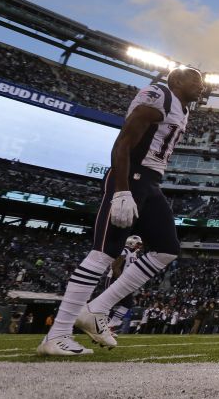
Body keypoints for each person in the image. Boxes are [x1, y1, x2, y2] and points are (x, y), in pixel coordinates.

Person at [36, 67, 205, 356]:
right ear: (176, 80)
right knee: (104, 252)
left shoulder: (183, 109)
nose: (202, 85)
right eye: (196, 79)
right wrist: (122, 189)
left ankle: (97, 308)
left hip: (150, 182)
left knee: (166, 249)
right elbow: (123, 143)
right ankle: (57, 334)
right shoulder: (159, 96)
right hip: (131, 178)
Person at [105, 235, 145, 334]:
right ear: (131, 243)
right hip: (114, 279)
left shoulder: (133, 254)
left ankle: (111, 324)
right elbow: (115, 267)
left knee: (128, 303)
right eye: (138, 244)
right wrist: (122, 280)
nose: (139, 246)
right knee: (108, 303)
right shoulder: (125, 251)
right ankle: (103, 325)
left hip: (124, 281)